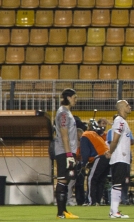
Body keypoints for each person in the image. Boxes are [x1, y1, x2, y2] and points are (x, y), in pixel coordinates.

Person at [53, 88, 79, 219]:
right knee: (63, 179)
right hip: (64, 151)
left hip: (67, 150)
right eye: (74, 97)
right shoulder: (63, 114)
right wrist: (69, 155)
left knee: (66, 179)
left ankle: (64, 210)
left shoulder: (66, 112)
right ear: (68, 97)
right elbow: (64, 135)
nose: (76, 100)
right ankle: (60, 213)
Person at [105, 100, 132, 219]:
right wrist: (110, 152)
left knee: (118, 184)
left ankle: (114, 210)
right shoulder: (120, 121)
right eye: (127, 105)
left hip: (122, 158)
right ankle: (114, 211)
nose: (129, 107)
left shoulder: (121, 121)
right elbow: (115, 139)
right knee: (117, 184)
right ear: (121, 108)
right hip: (119, 157)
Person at [80, 120, 109, 206]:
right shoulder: (96, 135)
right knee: (100, 180)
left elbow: (85, 153)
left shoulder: (85, 135)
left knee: (91, 179)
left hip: (100, 157)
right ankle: (97, 201)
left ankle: (91, 201)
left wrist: (83, 164)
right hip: (107, 157)